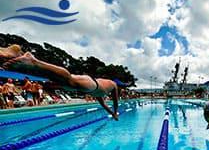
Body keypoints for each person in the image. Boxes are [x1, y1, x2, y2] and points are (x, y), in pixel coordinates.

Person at [4, 52, 132, 120]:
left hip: (89, 84)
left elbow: (103, 104)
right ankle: (33, 60)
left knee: (56, 79)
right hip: (91, 84)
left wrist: (112, 113)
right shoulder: (113, 85)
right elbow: (115, 101)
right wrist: (115, 112)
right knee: (68, 79)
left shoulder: (103, 91)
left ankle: (17, 56)